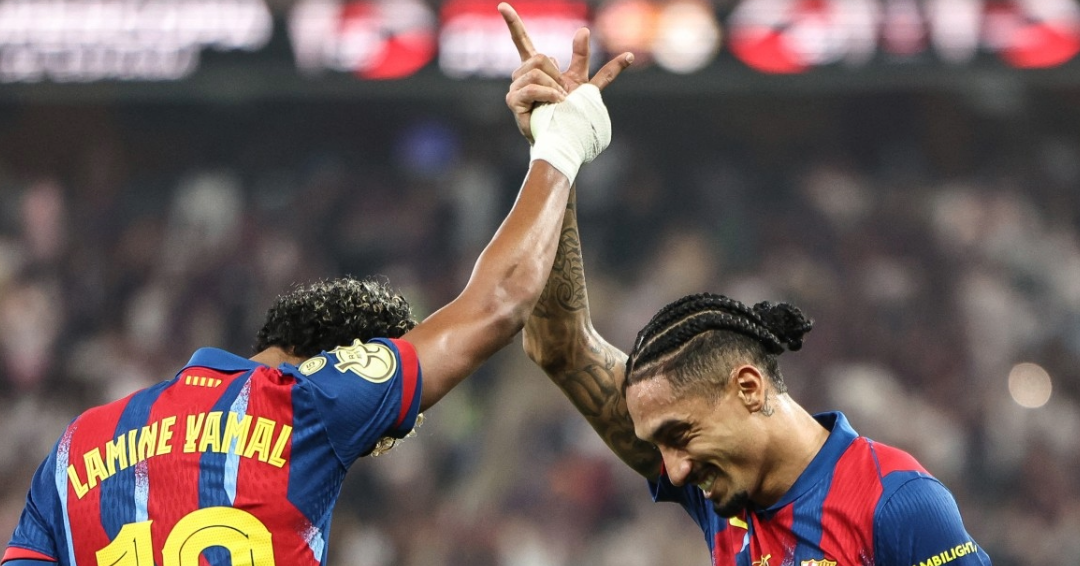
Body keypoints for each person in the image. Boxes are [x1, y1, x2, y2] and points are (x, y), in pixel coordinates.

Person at [1, 5, 633, 565]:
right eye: (379, 434)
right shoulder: (309, 404)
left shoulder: (74, 448)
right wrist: (560, 147)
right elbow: (501, 301)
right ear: (345, 362)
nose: (372, 445)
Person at [502, 18, 993, 566]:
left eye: (679, 436)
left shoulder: (897, 504)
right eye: (661, 445)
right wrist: (557, 149)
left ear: (749, 388)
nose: (673, 471)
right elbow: (559, 346)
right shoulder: (714, 479)